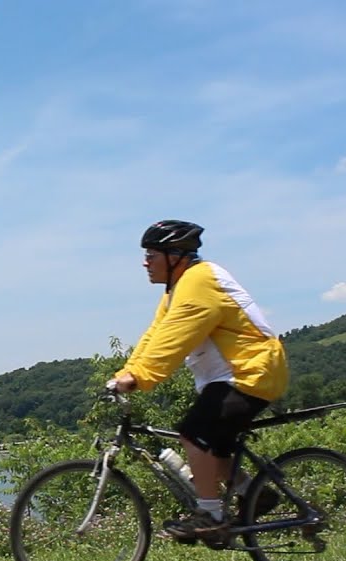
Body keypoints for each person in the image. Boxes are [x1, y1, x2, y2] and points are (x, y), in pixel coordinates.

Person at [111, 220, 288, 542]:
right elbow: (155, 336)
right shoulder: (177, 290)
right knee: (215, 450)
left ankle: (210, 515)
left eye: (151, 254)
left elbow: (175, 340)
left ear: (175, 255)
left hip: (250, 372)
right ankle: (254, 493)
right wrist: (125, 372)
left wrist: (138, 377)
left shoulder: (199, 281)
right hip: (233, 376)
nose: (144, 262)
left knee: (193, 433)